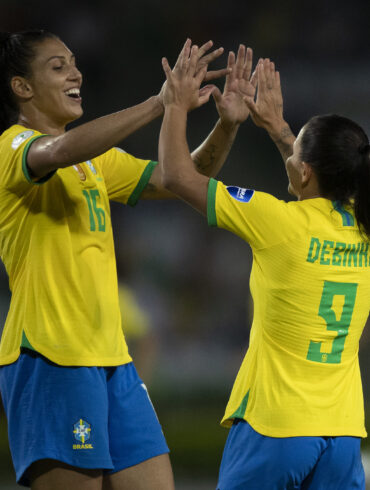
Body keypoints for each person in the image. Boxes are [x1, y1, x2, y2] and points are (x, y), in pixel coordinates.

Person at [0, 30, 257, 490]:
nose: (76, 73)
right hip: (50, 356)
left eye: (75, 63)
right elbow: (58, 151)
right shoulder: (12, 147)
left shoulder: (97, 163)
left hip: (114, 359)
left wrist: (227, 124)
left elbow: (179, 178)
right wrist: (161, 104)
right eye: (58, 67)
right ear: (22, 87)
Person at [159, 42, 370, 489]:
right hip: (343, 431)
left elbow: (177, 175)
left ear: (306, 172)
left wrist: (177, 105)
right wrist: (280, 131)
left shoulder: (274, 219)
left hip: (276, 426)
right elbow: (318, 181)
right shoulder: (364, 230)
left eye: (295, 154)